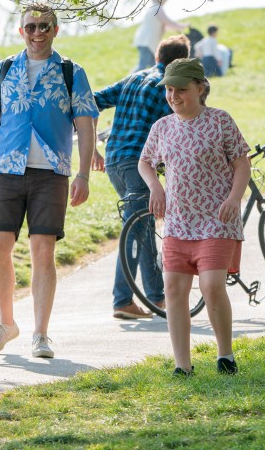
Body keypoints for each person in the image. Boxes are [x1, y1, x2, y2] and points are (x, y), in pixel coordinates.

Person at [0, 4, 98, 359]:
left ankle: (41, 334)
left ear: (55, 30)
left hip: (51, 171)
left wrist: (82, 173)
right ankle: (7, 323)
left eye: (45, 27)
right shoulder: (4, 69)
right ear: (22, 31)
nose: (38, 33)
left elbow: (85, 125)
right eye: (31, 27)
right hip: (7, 168)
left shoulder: (71, 72)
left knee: (43, 251)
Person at [138, 58, 250, 377]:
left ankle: (225, 355)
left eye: (181, 89)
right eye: (169, 90)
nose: (173, 96)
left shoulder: (220, 121)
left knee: (212, 284)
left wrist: (234, 197)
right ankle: (182, 366)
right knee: (173, 289)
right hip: (178, 222)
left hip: (217, 218)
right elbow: (145, 162)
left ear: (200, 88)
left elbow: (241, 163)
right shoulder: (163, 127)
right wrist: (155, 188)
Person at [92, 35, 191, 320]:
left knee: (145, 227)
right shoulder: (168, 89)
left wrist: (93, 151)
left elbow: (92, 101)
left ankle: (157, 297)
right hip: (139, 164)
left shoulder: (132, 79)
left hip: (114, 161)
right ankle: (122, 300)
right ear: (180, 62)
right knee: (135, 231)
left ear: (158, 56)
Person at [132, 0, 184, 72]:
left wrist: (177, 27)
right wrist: (181, 26)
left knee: (155, 66)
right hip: (147, 41)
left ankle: (157, 82)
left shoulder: (153, 8)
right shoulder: (157, 8)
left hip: (147, 40)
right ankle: (128, 82)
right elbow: (167, 21)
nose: (166, 0)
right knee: (143, 65)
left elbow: (165, 25)